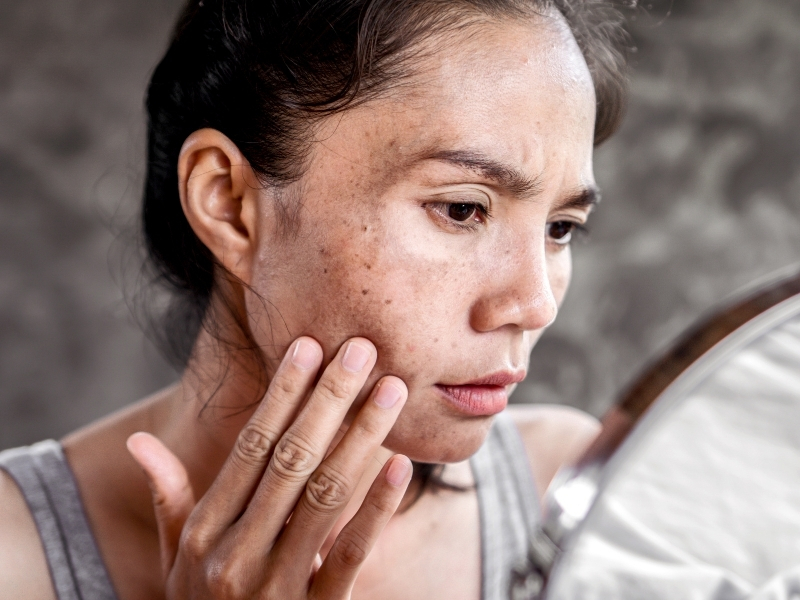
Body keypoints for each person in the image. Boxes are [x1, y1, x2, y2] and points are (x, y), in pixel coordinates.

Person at [0, 0, 628, 598]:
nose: (535, 303)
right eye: (461, 209)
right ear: (230, 205)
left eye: (560, 227)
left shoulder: (574, 499)